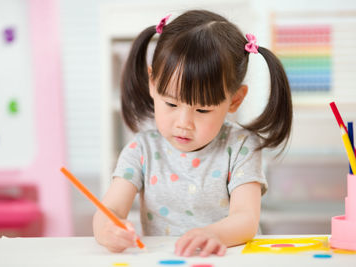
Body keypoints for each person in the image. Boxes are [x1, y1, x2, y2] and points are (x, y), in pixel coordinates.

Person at [93, 9, 292, 257]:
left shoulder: (241, 147)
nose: (184, 123)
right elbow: (110, 207)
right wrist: (107, 229)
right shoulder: (142, 150)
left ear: (235, 100)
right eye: (172, 104)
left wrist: (213, 235)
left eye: (202, 109)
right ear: (152, 84)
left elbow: (246, 218)